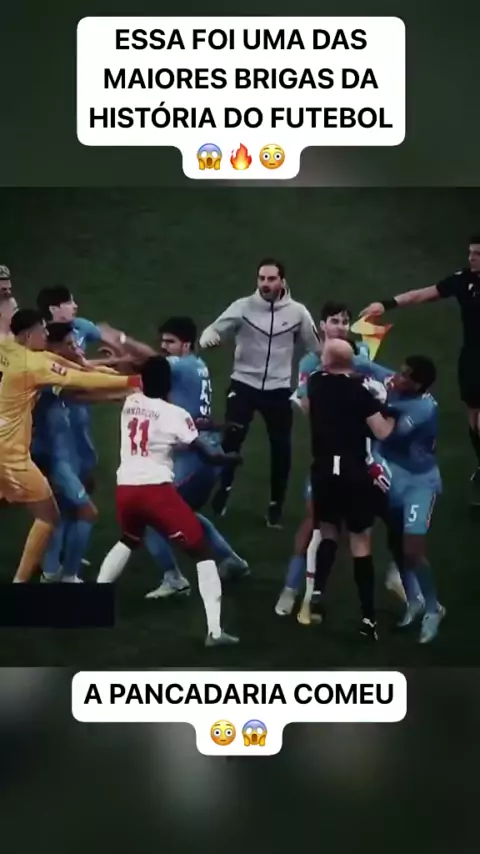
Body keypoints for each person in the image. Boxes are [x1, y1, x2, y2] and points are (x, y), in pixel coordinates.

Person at [96, 355, 242, 647]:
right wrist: (232, 458)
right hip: (156, 491)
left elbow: (158, 416)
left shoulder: (131, 402)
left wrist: (219, 426)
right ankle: (215, 632)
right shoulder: (176, 414)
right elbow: (209, 455)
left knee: (128, 539)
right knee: (202, 553)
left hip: (125, 490)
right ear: (170, 384)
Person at [0, 309, 140, 582]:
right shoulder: (36, 367)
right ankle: (44, 574)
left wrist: (97, 367)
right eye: (42, 331)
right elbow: (81, 382)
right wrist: (131, 381)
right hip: (18, 454)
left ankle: (50, 567)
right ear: (28, 335)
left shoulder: (8, 348)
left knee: (56, 513)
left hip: (23, 448)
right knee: (55, 515)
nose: (45, 334)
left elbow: (78, 371)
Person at [199, 258, 320, 527]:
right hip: (243, 384)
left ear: (282, 281)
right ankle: (224, 488)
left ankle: (276, 505)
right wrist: (209, 339)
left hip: (278, 389)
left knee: (281, 449)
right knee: (232, 440)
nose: (265, 284)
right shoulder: (243, 307)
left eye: (271, 279)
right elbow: (212, 329)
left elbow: (317, 348)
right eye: (262, 278)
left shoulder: (298, 313)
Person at [360, 234, 480, 503]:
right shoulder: (464, 280)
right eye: (471, 252)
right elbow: (423, 295)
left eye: (478, 254)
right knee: (474, 419)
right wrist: (386, 304)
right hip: (472, 358)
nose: (471, 258)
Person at [142, 316, 248, 598]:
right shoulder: (196, 365)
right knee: (184, 513)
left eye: (170, 342)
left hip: (195, 458)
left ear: (186, 344)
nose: (164, 346)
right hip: (203, 454)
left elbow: (147, 363)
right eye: (162, 341)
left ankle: (173, 579)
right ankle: (231, 561)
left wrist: (119, 342)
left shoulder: (181, 365)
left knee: (151, 515)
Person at [354, 353, 445, 642]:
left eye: (405, 375)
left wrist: (375, 400)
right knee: (397, 544)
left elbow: (389, 433)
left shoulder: (422, 410)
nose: (398, 377)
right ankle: (414, 602)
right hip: (393, 478)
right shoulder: (397, 383)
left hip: (420, 483)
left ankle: (433, 609)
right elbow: (366, 365)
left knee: (412, 549)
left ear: (417, 385)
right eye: (401, 371)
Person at [307, 339, 395, 640]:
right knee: (360, 543)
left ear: (327, 362)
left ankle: (318, 591)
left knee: (328, 531)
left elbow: (331, 372)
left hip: (323, 473)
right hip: (354, 475)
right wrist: (390, 412)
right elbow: (382, 431)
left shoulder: (316, 384)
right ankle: (368, 619)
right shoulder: (361, 393)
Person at [31, 322, 126, 582]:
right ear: (54, 349)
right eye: (69, 344)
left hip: (68, 452)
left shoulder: (58, 367)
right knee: (87, 512)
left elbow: (85, 375)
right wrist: (119, 391)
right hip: (53, 457)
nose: (76, 347)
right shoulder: (45, 373)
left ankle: (52, 568)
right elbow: (79, 391)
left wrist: (116, 369)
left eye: (75, 342)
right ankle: (68, 574)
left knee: (63, 510)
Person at [36, 286, 121, 492]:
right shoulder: (41, 339)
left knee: (80, 431)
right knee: (56, 440)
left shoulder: (80, 326)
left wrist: (117, 355)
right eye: (69, 302)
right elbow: (72, 383)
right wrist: (113, 391)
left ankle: (82, 472)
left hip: (76, 394)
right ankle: (64, 485)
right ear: (53, 309)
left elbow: (102, 340)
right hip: (52, 401)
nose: (75, 306)